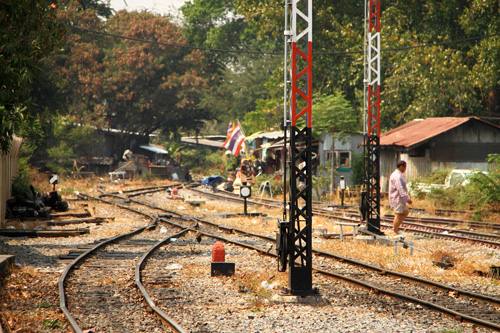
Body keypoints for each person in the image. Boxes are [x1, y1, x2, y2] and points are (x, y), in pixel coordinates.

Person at [389, 160, 412, 237]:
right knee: (398, 215)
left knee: (405, 212)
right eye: (405, 167)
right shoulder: (397, 176)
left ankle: (396, 228)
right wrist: (407, 198)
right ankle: (395, 231)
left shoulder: (399, 174)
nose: (405, 169)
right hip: (397, 198)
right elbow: (400, 188)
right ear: (401, 167)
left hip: (401, 199)